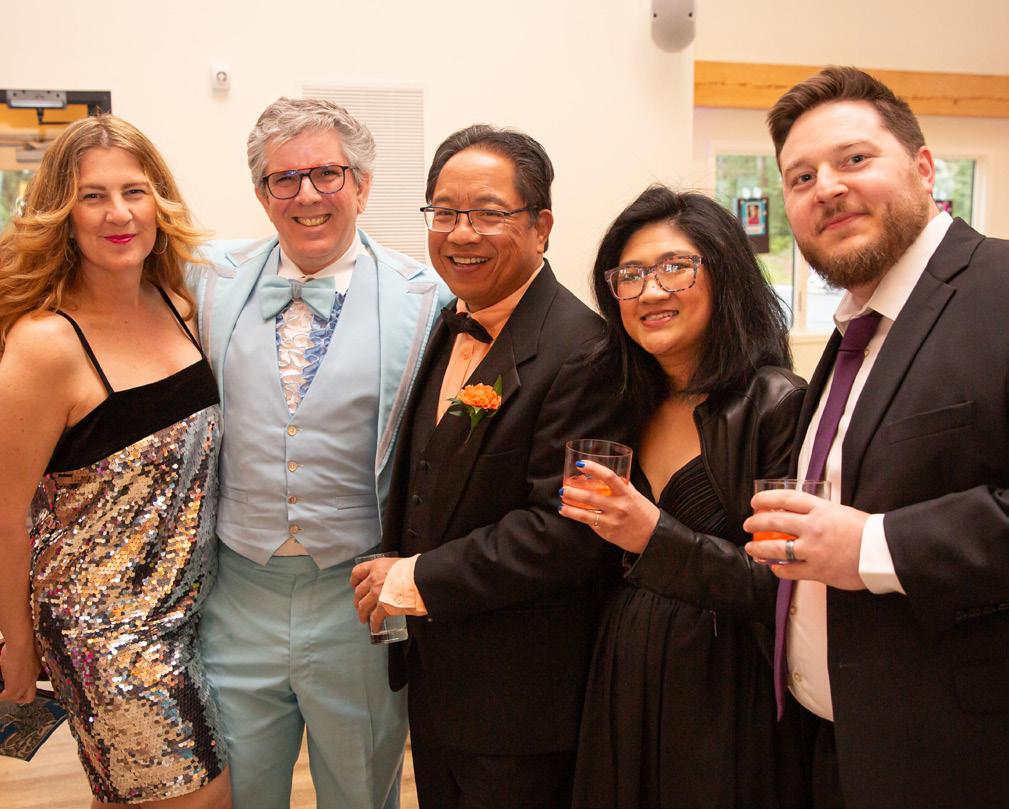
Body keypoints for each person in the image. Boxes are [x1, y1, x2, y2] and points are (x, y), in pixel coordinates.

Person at [743, 66, 1009, 809]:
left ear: (923, 168)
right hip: (833, 745)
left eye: (854, 159)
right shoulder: (854, 329)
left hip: (959, 762)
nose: (826, 188)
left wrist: (871, 546)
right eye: (800, 177)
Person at [351, 125, 626, 809]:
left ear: (541, 227)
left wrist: (412, 577)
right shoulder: (451, 321)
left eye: (488, 213)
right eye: (444, 212)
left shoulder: (583, 351)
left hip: (521, 704)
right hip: (441, 684)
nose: (461, 233)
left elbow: (565, 531)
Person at [192, 97, 448, 809]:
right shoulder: (206, 280)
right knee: (241, 794)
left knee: (361, 792)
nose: (307, 194)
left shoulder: (427, 299)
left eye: (327, 174)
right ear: (262, 194)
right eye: (285, 178)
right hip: (236, 595)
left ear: (361, 185)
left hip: (358, 600)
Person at [0, 115, 230, 808]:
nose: (119, 213)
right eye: (92, 196)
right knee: (201, 799)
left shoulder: (179, 304)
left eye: (134, 191)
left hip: (186, 614)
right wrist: (16, 643)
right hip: (103, 631)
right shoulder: (46, 342)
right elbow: (6, 513)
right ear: (61, 215)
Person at [558, 185, 807, 809]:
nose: (650, 291)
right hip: (623, 667)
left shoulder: (775, 403)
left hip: (726, 686)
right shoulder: (621, 401)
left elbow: (782, 588)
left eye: (675, 267)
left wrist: (653, 535)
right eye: (631, 275)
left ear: (726, 277)